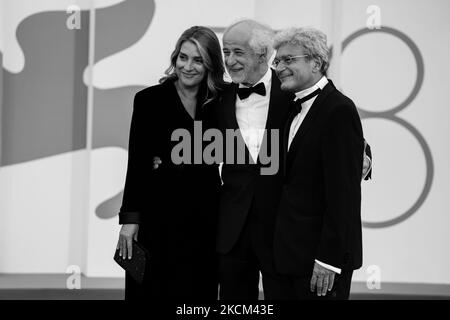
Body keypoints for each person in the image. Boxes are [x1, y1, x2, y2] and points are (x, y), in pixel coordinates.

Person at [116, 26, 225, 300]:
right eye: (183, 57)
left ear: (211, 64)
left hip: (206, 219)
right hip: (158, 217)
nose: (188, 66)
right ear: (175, 57)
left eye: (198, 60)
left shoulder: (222, 101)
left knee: (198, 293)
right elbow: (138, 164)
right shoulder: (149, 100)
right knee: (154, 291)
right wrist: (130, 220)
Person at [269, 27, 365, 299]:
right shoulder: (290, 106)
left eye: (289, 60)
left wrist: (328, 259)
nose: (279, 67)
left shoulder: (339, 109)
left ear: (317, 62)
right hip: (289, 257)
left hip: (321, 262)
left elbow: (343, 194)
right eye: (277, 61)